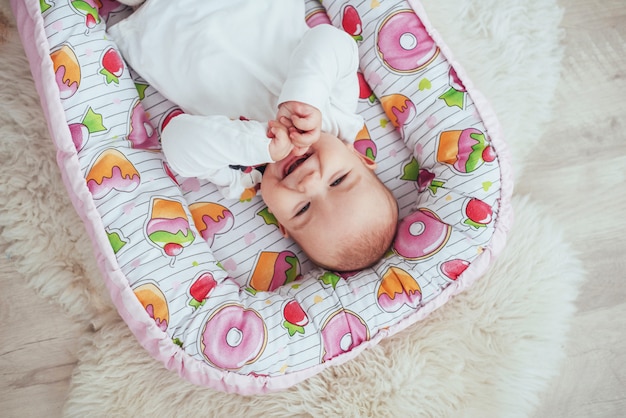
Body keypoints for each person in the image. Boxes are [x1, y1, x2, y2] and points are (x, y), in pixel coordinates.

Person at [109, 0, 398, 271]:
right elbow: (331, 41)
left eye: (302, 209)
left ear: (279, 221)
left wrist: (256, 145)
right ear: (358, 156)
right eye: (338, 180)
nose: (309, 182)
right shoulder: (336, 111)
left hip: (159, 15)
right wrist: (306, 95)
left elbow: (177, 143)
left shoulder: (242, 175)